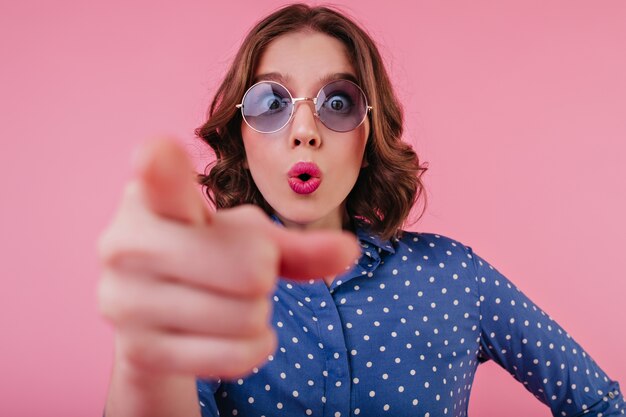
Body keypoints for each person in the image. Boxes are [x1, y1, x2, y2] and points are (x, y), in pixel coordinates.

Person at [97, 4, 624, 417]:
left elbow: (600, 405)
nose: (305, 131)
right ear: (240, 130)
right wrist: (140, 364)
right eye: (271, 103)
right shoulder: (206, 288)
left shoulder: (456, 279)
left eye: (338, 103)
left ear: (369, 134)